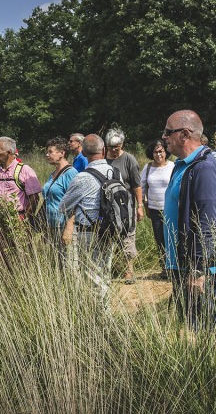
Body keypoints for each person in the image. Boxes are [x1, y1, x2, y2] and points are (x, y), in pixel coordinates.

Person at [161, 110, 216, 332]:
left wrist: (199, 271)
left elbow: (208, 224)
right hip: (183, 262)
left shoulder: (205, 168)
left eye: (168, 132)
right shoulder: (183, 165)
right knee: (192, 325)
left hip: (199, 267)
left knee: (211, 327)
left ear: (184, 135)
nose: (163, 137)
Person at [58, 134, 119, 309]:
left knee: (93, 278)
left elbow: (63, 206)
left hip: (89, 233)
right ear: (104, 150)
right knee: (105, 274)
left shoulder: (82, 177)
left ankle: (100, 321)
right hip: (112, 230)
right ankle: (106, 310)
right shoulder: (115, 172)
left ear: (84, 152)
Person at [0, 136, 42, 269]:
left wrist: (24, 219)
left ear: (9, 152)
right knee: (2, 253)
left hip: (19, 218)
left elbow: (35, 198)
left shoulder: (24, 170)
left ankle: (25, 278)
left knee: (23, 254)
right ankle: (7, 276)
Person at [104, 129, 145, 284]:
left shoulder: (129, 159)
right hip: (108, 205)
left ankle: (129, 270)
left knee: (128, 236)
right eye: (111, 147)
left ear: (122, 144)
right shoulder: (103, 159)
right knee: (107, 237)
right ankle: (108, 268)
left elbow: (137, 185)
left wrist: (139, 206)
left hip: (126, 205)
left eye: (117, 146)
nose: (114, 150)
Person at [140, 138, 174, 278]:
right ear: (151, 153)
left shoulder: (172, 166)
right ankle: (165, 268)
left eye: (161, 151)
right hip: (154, 209)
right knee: (159, 239)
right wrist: (142, 204)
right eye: (155, 152)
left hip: (171, 209)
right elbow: (142, 187)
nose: (159, 155)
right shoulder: (147, 168)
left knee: (171, 239)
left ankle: (175, 267)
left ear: (166, 152)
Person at [41, 137, 78, 250]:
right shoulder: (52, 174)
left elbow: (77, 203)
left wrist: (69, 228)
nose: (47, 155)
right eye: (47, 152)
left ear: (62, 153)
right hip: (52, 227)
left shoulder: (71, 173)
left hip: (65, 228)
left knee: (68, 264)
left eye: (50, 152)